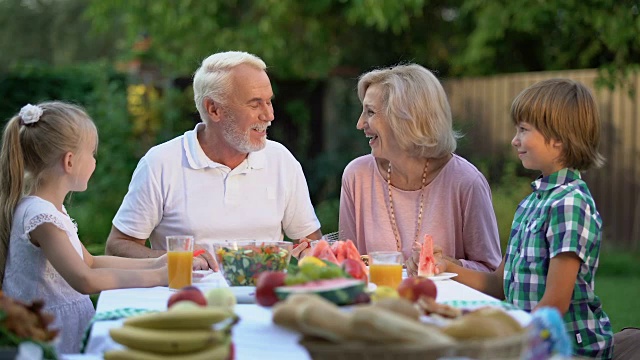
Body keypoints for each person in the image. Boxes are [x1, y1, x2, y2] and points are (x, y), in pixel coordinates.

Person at [433, 78, 613, 358]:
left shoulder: (571, 204)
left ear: (558, 138)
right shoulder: (530, 205)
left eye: (523, 130)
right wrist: (444, 266)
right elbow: (497, 284)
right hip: (528, 341)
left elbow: (554, 305)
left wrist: (505, 340)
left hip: (566, 349)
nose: (514, 140)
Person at [105, 51, 322, 269]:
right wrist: (179, 261)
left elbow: (311, 245)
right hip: (184, 300)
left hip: (263, 301)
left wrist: (311, 259)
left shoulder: (281, 160)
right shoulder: (160, 163)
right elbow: (117, 248)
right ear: (214, 109)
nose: (269, 115)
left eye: (268, 102)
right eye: (255, 104)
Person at [0, 102, 168, 354]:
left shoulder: (49, 209)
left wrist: (160, 262)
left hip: (60, 327)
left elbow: (89, 262)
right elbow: (85, 280)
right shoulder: (41, 216)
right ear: (69, 161)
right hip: (53, 334)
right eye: (91, 153)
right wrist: (159, 277)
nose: (93, 161)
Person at [339, 63, 502, 273]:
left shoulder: (466, 182)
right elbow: (346, 263)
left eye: (370, 112)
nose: (360, 124)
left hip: (444, 305)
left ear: (405, 118)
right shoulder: (356, 176)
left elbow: (491, 274)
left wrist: (448, 265)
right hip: (375, 304)